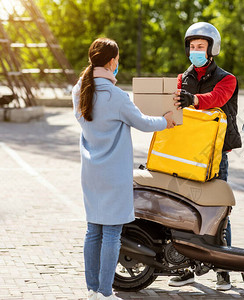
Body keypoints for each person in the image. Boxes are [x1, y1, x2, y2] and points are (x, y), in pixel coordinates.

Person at [72, 37, 175, 300]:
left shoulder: (79, 91)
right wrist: (166, 121)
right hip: (114, 175)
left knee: (92, 230)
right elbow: (142, 122)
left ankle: (92, 290)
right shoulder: (116, 96)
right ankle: (106, 292)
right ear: (112, 61)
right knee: (111, 233)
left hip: (91, 173)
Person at [170, 22, 242, 291]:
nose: (195, 51)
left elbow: (216, 98)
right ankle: (186, 267)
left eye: (200, 47)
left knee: (219, 209)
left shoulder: (227, 78)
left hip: (216, 153)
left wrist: (194, 100)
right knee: (186, 208)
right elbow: (175, 107)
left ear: (212, 50)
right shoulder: (181, 78)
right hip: (188, 151)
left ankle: (224, 270)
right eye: (192, 46)